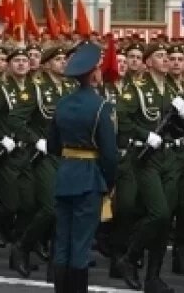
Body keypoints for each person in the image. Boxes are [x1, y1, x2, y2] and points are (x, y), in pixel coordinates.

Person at [49, 40, 118, 293]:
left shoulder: (63, 104)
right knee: (80, 245)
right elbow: (109, 154)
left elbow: (52, 145)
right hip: (89, 179)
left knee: (63, 243)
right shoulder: (101, 106)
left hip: (65, 174)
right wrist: (109, 183)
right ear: (94, 74)